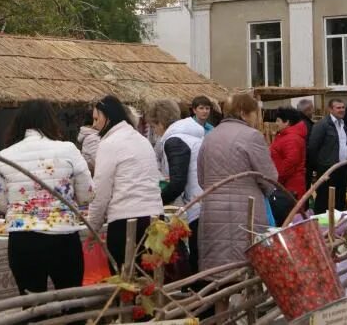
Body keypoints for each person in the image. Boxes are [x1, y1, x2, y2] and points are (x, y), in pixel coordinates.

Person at [0, 99, 94, 294]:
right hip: (63, 236)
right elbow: (88, 193)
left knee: (32, 305)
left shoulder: (5, 155)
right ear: (51, 121)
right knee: (72, 301)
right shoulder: (68, 150)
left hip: (23, 239)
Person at [198, 93, 277, 270]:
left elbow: (202, 178)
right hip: (246, 210)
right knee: (246, 264)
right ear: (243, 113)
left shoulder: (210, 136)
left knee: (217, 268)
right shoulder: (252, 136)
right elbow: (269, 177)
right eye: (255, 113)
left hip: (212, 209)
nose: (257, 118)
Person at [87, 95, 163, 271]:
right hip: (155, 219)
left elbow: (101, 191)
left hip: (126, 222)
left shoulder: (109, 144)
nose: (94, 124)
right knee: (151, 280)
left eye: (97, 118)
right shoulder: (142, 140)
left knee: (125, 281)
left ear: (108, 117)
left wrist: (93, 227)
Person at [146, 99, 204, 271]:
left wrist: (157, 202)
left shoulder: (174, 141)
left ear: (160, 123)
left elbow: (178, 182)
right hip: (201, 200)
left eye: (154, 127)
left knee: (194, 258)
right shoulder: (190, 136)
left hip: (195, 205)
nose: (155, 132)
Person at [307, 99, 347, 214]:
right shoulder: (322, 125)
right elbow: (312, 147)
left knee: (340, 198)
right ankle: (320, 223)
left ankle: (338, 224)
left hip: (342, 167)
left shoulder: (343, 124)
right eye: (338, 108)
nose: (341, 110)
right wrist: (319, 165)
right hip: (327, 169)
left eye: (343, 107)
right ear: (330, 109)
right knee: (324, 199)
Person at [270, 107, 307, 198]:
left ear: (287, 122)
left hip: (290, 184)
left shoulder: (292, 139)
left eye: (278, 121)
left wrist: (277, 177)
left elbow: (290, 162)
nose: (276, 123)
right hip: (286, 183)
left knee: (290, 210)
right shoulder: (284, 136)